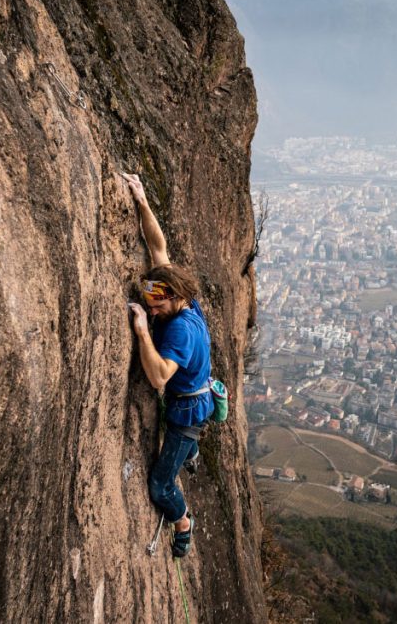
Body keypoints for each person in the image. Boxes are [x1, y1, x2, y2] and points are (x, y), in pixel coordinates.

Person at [123, 172, 213, 558]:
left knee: (160, 486)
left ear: (172, 299)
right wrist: (142, 201)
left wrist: (143, 331)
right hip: (196, 398)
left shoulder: (178, 332)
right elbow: (157, 247)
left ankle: (183, 522)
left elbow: (159, 376)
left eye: (157, 305)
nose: (153, 309)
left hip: (186, 413)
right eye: (151, 304)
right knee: (178, 455)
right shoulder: (184, 298)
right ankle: (189, 454)